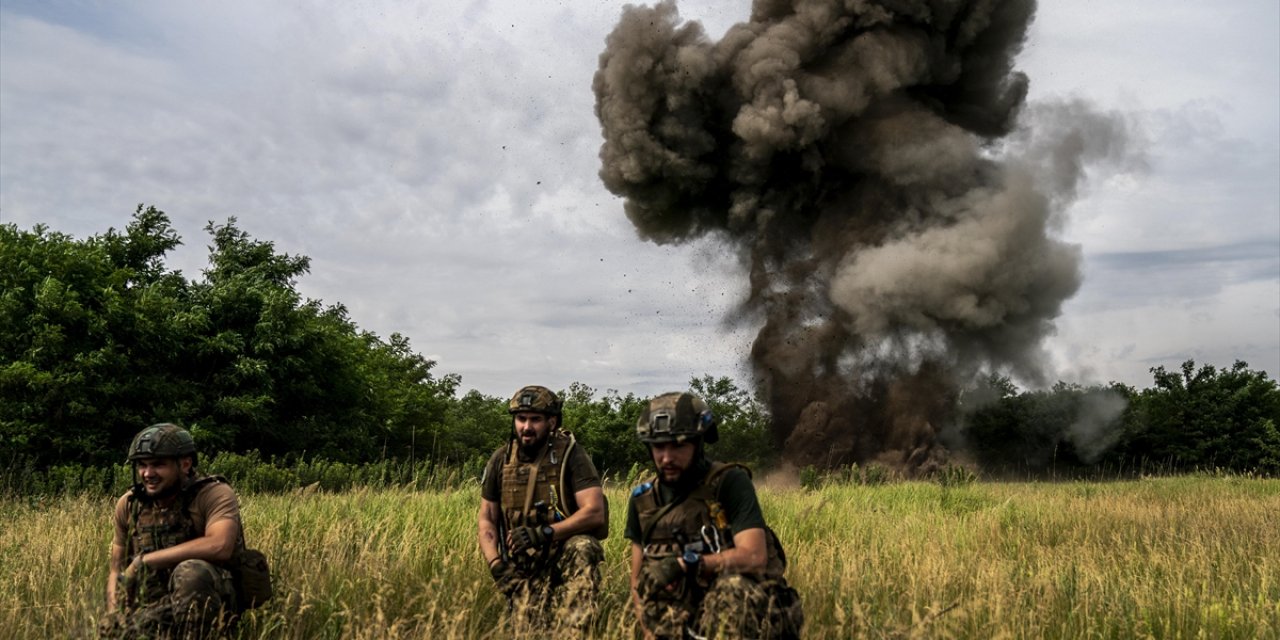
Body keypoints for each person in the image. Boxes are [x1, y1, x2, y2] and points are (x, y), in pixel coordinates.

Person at [626, 392, 804, 640]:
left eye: (678, 445)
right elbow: (638, 582)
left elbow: (754, 556)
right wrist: (649, 631)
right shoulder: (642, 500)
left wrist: (688, 564)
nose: (666, 457)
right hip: (679, 616)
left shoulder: (728, 483)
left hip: (739, 614)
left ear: (698, 443)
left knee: (733, 590)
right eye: (658, 446)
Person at [477, 385, 609, 633]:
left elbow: (594, 511)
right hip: (523, 560)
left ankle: (576, 632)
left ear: (552, 421)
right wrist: (496, 564)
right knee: (529, 630)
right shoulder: (501, 459)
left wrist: (545, 532)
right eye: (521, 419)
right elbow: (487, 518)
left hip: (561, 550)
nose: (526, 427)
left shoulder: (571, 454)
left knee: (584, 546)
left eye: (535, 419)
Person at [101, 423, 252, 639]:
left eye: (158, 465)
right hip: (156, 607)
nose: (147, 473)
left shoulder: (213, 494)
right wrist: (114, 613)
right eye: (142, 465)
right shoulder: (129, 505)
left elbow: (220, 545)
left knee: (191, 572)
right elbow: (116, 569)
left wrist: (145, 561)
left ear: (185, 464)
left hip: (212, 604)